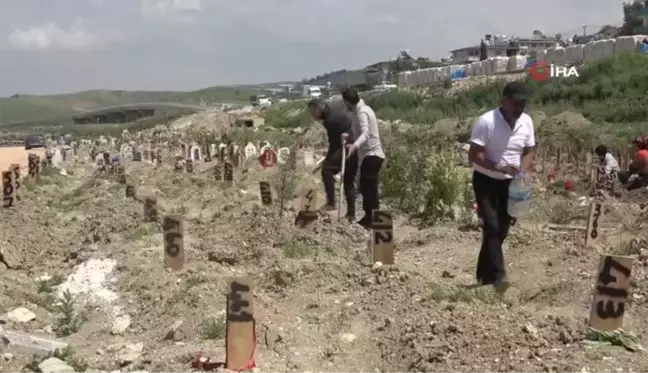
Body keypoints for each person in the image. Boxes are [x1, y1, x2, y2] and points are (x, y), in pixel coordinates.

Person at [468, 82, 535, 293]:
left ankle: (483, 273)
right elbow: (474, 155)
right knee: (492, 225)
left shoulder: (526, 122)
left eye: (523, 104)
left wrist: (522, 172)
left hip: (511, 183)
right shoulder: (486, 122)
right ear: (504, 101)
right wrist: (499, 166)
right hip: (486, 180)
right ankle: (499, 276)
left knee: (503, 228)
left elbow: (528, 150)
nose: (519, 108)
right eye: (516, 103)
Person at [341, 87, 385, 229]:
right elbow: (357, 132)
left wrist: (355, 146)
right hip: (368, 156)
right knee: (366, 188)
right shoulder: (358, 112)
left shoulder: (362, 113)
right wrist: (348, 137)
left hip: (372, 155)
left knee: (370, 189)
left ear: (347, 101)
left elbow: (365, 133)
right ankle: (368, 217)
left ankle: (374, 221)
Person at [307, 99, 358, 220]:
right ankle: (351, 215)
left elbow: (335, 145)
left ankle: (331, 203)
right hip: (356, 146)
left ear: (318, 108)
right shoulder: (334, 112)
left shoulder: (329, 120)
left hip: (347, 146)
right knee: (348, 181)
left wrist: (328, 159)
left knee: (327, 171)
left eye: (312, 111)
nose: (312, 115)